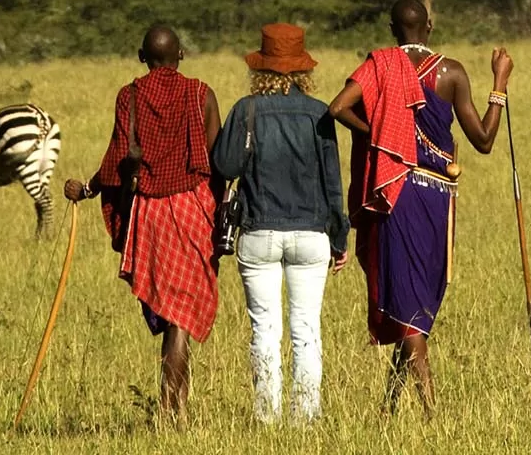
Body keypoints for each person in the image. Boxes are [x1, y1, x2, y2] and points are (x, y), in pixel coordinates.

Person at [328, 0, 512, 418]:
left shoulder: (379, 66)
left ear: (393, 30)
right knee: (415, 296)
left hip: (396, 190)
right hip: (436, 195)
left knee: (413, 299)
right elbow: (483, 140)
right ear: (428, 26)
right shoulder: (451, 72)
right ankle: (431, 411)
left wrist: (379, 134)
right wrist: (499, 82)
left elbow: (337, 108)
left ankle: (391, 406)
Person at [63, 25, 221, 422]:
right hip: (192, 209)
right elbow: (218, 161)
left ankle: (172, 409)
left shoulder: (129, 96)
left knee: (172, 315)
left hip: (149, 212)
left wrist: (86, 188)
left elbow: (117, 160)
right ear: (181, 54)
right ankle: (175, 410)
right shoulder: (202, 94)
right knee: (180, 317)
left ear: (141, 56)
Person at [212, 23, 350, 424]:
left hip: (258, 233)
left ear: (261, 68)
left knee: (264, 330)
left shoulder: (246, 109)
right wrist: (339, 239)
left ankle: (266, 418)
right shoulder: (320, 112)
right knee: (306, 330)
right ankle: (305, 420)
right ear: (303, 68)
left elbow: (225, 164)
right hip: (311, 233)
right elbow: (332, 183)